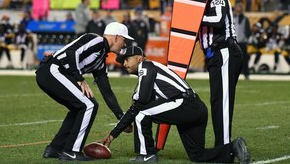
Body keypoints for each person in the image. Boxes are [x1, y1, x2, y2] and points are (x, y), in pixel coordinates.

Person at [100, 46, 250, 163]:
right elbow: (137, 106)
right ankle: (233, 148)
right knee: (197, 155)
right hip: (196, 108)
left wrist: (114, 133)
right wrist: (113, 135)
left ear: (139, 58)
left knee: (141, 113)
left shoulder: (145, 66)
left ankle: (147, 156)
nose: (124, 63)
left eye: (127, 59)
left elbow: (139, 105)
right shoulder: (151, 71)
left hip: (185, 104)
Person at [35, 22, 134, 161]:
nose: (124, 45)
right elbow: (71, 52)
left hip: (52, 73)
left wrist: (121, 118)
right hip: (52, 70)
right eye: (124, 40)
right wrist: (79, 79)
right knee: (89, 105)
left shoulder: (100, 60)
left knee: (79, 108)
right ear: (116, 37)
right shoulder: (97, 40)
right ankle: (72, 151)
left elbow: (107, 92)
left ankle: (55, 148)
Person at [198, 0, 243, 146]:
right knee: (217, 102)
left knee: (222, 101)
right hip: (215, 56)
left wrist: (194, 16)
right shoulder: (200, 2)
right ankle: (222, 145)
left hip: (225, 50)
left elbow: (218, 19)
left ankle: (224, 147)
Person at [234, 3, 251, 79]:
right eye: (237, 7)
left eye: (239, 7)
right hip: (234, 42)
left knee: (244, 58)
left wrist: (245, 37)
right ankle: (234, 73)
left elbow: (248, 30)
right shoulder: (232, 17)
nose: (238, 9)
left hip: (242, 41)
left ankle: (246, 73)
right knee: (234, 59)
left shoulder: (245, 19)